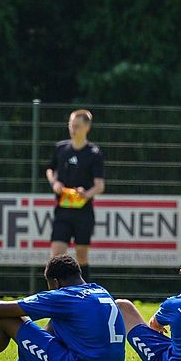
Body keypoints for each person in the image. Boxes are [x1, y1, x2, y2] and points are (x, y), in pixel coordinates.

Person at [45, 109, 104, 281]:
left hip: (83, 213)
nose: (73, 129)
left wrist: (85, 194)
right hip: (62, 210)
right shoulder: (61, 148)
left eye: (77, 126)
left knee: (81, 254)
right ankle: (54, 292)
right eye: (71, 125)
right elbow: (50, 170)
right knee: (56, 254)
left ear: (87, 128)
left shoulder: (94, 153)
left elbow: (99, 186)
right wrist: (55, 183)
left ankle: (85, 290)